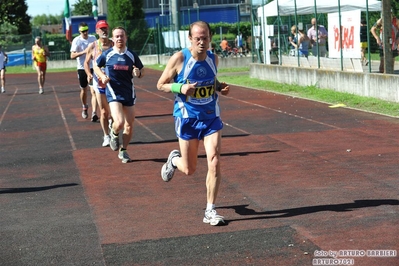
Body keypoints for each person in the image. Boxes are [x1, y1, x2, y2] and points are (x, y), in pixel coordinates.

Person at [156, 21, 230, 226]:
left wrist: (220, 88)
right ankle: (173, 161)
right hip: (187, 117)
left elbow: (211, 82)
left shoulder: (214, 58)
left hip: (210, 117)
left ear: (210, 38)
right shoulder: (180, 58)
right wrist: (180, 87)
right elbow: (160, 84)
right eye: (197, 38)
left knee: (214, 160)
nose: (202, 42)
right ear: (190, 39)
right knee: (189, 169)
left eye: (205, 38)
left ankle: (210, 210)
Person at [94, 26, 145, 163]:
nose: (119, 38)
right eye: (116, 36)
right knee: (120, 122)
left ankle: (123, 151)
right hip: (113, 91)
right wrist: (102, 76)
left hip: (129, 92)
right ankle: (114, 132)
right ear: (113, 38)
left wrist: (138, 73)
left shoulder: (131, 55)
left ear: (126, 38)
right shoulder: (108, 54)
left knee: (129, 125)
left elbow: (142, 69)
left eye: (122, 36)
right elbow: (96, 66)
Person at [84, 20, 114, 147]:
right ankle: (106, 136)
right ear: (97, 31)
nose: (104, 31)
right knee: (103, 112)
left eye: (105, 28)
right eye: (101, 29)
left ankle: (113, 128)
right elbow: (86, 62)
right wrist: (89, 74)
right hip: (99, 82)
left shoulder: (114, 44)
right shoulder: (93, 46)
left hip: (113, 81)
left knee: (113, 112)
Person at [70, 22, 98, 120]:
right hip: (82, 68)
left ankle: (94, 113)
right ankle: (85, 106)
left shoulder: (93, 38)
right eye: (83, 31)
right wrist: (84, 52)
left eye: (86, 30)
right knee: (84, 90)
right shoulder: (76, 41)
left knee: (94, 90)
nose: (85, 33)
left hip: (93, 67)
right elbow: (72, 55)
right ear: (79, 31)